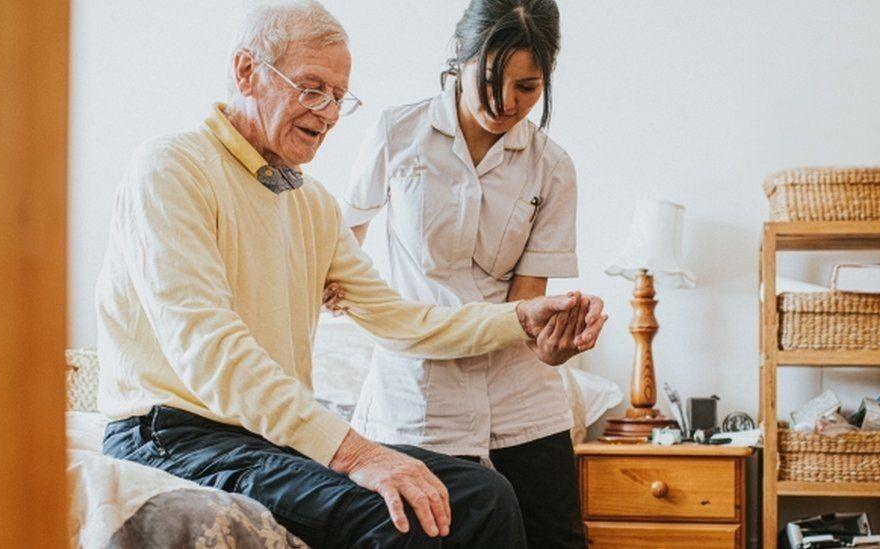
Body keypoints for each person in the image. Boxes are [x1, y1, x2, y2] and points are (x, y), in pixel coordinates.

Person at [95, 2, 605, 547]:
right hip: (173, 433)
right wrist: (359, 452)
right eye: (312, 89)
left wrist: (520, 317)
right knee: (400, 516)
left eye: (339, 97)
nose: (329, 113)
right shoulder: (173, 167)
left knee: (481, 494)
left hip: (265, 435)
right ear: (247, 71)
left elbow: (402, 321)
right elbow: (211, 351)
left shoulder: (309, 202)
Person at [341, 1, 595, 546]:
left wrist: (552, 345)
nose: (506, 103)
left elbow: (526, 308)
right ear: (458, 61)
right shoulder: (396, 133)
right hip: (418, 401)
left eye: (528, 88)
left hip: (522, 400)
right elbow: (340, 242)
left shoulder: (553, 168)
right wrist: (341, 290)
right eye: (490, 81)